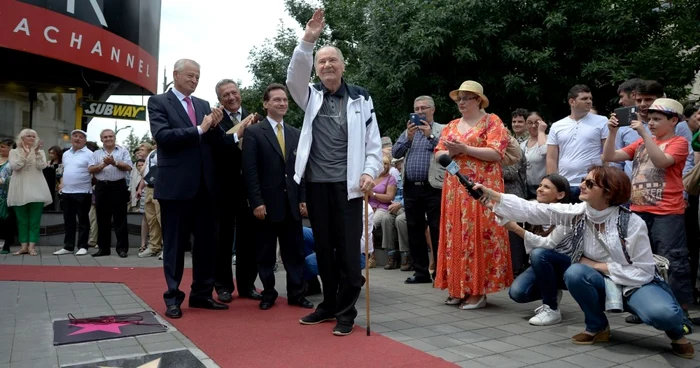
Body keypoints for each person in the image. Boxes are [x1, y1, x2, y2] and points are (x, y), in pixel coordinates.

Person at [479, 166, 695, 359]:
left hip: (635, 282)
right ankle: (596, 328)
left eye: (590, 183)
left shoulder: (632, 222)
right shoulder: (579, 213)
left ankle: (677, 332)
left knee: (663, 315)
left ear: (608, 193)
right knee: (575, 273)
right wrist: (492, 195)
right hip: (599, 280)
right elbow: (535, 210)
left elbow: (644, 271)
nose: (582, 184)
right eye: (584, 179)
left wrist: (598, 266)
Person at [287, 9, 383, 336]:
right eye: (321, 62)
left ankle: (346, 311)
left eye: (333, 60)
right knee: (324, 250)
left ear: (343, 66)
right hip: (316, 185)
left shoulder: (361, 98)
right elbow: (293, 78)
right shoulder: (310, 95)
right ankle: (328, 304)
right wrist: (308, 40)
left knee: (347, 250)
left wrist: (371, 171)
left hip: (349, 188)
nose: (327, 65)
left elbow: (373, 145)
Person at [148, 58, 227, 319]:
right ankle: (173, 297)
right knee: (174, 245)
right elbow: (163, 137)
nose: (194, 80)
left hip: (206, 187)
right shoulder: (159, 102)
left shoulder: (203, 105)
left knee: (207, 244)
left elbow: (214, 141)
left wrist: (215, 126)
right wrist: (199, 128)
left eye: (198, 77)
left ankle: (202, 294)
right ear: (176, 75)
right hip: (176, 187)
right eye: (190, 76)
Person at [602, 98, 693, 323]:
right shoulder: (643, 143)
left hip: (668, 212)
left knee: (673, 261)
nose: (650, 123)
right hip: (638, 210)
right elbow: (609, 157)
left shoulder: (679, 142)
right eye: (649, 119)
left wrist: (643, 133)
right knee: (640, 261)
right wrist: (612, 132)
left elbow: (661, 162)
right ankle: (645, 307)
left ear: (674, 121)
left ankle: (680, 311)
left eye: (657, 119)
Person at [434, 80, 512, 310]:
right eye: (459, 99)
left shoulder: (492, 121)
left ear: (478, 100)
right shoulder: (451, 125)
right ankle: (458, 288)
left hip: (482, 187)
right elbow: (438, 154)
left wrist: (465, 149)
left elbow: (497, 153)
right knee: (456, 235)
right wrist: (449, 152)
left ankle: (478, 291)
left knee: (479, 235)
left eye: (466, 98)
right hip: (455, 189)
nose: (461, 102)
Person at [242, 83, 313, 310]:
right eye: (277, 100)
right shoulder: (254, 132)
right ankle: (269, 293)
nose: (282, 103)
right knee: (265, 253)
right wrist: (256, 202)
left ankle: (297, 293)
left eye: (284, 100)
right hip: (266, 205)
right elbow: (250, 171)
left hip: (292, 204)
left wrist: (303, 198)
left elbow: (301, 170)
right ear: (266, 104)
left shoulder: (295, 133)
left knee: (295, 252)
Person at [213, 79, 262, 303]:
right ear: (220, 100)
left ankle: (247, 285)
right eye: (226, 95)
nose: (231, 98)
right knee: (223, 238)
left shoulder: (256, 119)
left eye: (234, 93)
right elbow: (214, 149)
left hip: (249, 188)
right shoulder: (215, 121)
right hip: (223, 187)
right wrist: (237, 134)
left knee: (249, 238)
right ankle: (223, 286)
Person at [505, 174, 571, 325]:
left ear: (560, 195)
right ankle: (552, 292)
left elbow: (548, 244)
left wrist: (516, 229)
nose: (540, 190)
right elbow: (511, 207)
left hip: (566, 265)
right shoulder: (533, 206)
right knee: (517, 293)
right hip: (541, 263)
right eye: (540, 186)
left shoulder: (567, 214)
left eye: (546, 187)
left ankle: (552, 309)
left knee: (540, 253)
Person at [391, 96, 445, 282]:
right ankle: (421, 272)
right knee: (414, 229)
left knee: (438, 229)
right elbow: (394, 153)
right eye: (417, 108)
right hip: (411, 187)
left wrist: (430, 135)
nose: (420, 111)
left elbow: (446, 151)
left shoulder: (442, 130)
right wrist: (408, 137)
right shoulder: (409, 132)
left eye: (424, 108)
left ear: (433, 110)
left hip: (434, 187)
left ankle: (441, 272)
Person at [546, 85, 609, 201]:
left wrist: (604, 181)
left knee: (589, 218)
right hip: (564, 184)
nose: (589, 101)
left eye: (590, 98)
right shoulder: (557, 125)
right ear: (572, 101)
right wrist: (552, 183)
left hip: (591, 184)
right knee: (563, 219)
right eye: (584, 99)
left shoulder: (602, 121)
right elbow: (551, 158)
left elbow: (607, 154)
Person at [7, 129, 52, 256]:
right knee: (22, 220)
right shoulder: (13, 152)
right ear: (21, 138)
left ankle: (32, 247)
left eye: (34, 136)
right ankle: (23, 247)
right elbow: (15, 167)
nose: (31, 138)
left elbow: (42, 166)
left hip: (37, 188)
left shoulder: (40, 152)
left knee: (34, 219)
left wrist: (36, 153)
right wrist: (25, 155)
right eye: (28, 136)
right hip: (19, 188)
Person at [88, 129, 132, 258]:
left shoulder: (123, 151)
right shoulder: (96, 153)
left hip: (118, 185)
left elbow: (129, 167)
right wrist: (102, 165)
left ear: (114, 138)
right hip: (102, 186)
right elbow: (90, 169)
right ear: (101, 139)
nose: (108, 138)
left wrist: (114, 162)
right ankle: (103, 249)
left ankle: (122, 249)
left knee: (120, 218)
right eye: (105, 137)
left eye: (110, 136)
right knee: (102, 219)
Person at [52, 130, 93, 256]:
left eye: (81, 137)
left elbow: (93, 172)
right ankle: (68, 246)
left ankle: (83, 246)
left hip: (83, 192)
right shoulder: (66, 154)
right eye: (75, 136)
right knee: (68, 220)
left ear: (85, 140)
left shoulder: (90, 154)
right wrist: (61, 184)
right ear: (71, 139)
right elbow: (63, 170)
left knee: (83, 220)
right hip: (67, 191)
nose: (77, 139)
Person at [521, 112, 548, 199]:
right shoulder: (522, 145)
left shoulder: (549, 140)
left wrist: (541, 132)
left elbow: (544, 150)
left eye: (537, 122)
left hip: (544, 187)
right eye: (529, 123)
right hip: (527, 187)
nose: (533, 126)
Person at [0, 138, 15, 254]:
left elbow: (10, 179)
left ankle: (6, 243)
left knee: (6, 219)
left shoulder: (12, 162)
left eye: (3, 147)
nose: (1, 149)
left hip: (6, 194)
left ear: (11, 148)